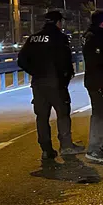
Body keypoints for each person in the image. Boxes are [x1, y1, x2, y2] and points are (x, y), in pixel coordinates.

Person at [16, 10, 84, 161]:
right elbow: (65, 61)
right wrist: (65, 77)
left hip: (38, 84)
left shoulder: (33, 38)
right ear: (58, 22)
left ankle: (46, 150)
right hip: (56, 83)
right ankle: (66, 146)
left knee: (42, 117)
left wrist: (35, 72)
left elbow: (21, 60)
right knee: (63, 113)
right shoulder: (60, 38)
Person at [82, 10, 103, 162]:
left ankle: (97, 147)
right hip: (100, 83)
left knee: (101, 113)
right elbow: (99, 62)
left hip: (95, 81)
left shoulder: (91, 36)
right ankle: (94, 149)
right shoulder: (95, 38)